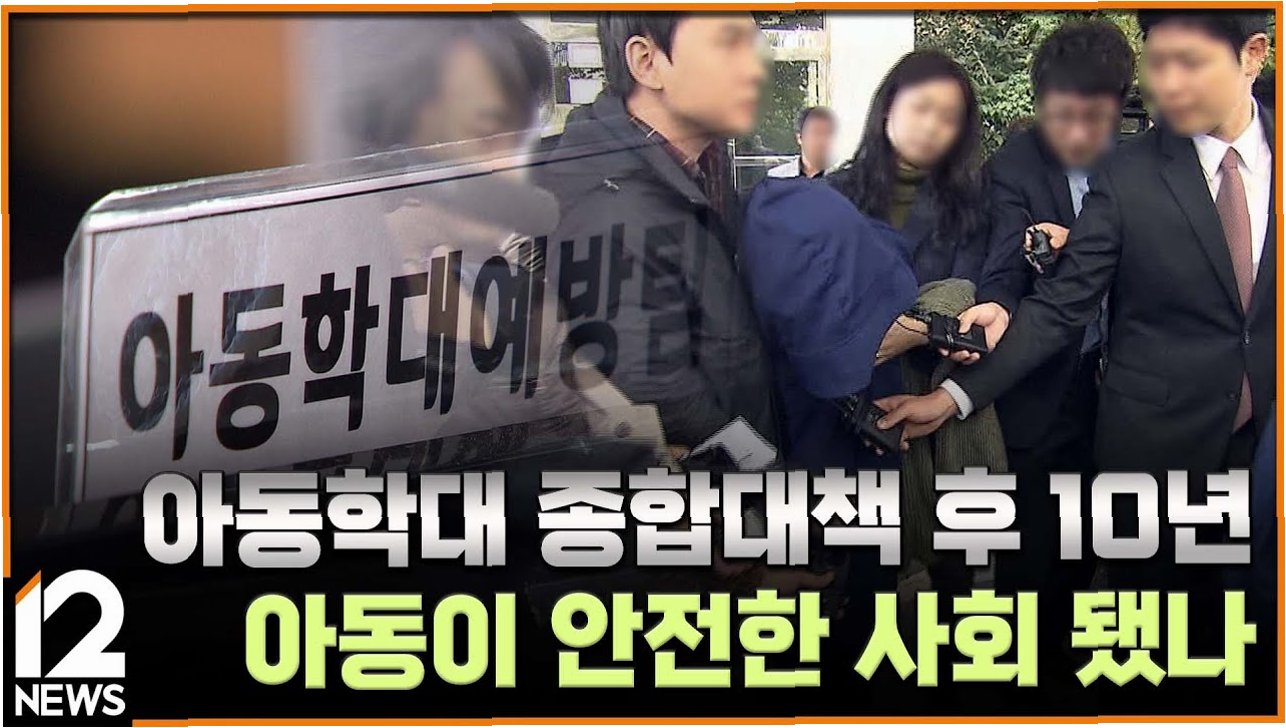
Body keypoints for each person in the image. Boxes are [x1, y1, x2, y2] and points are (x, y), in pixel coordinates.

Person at [877, 11, 1275, 650]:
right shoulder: (1128, 173)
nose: (1171, 84)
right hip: (1146, 443)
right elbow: (1054, 304)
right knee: (1153, 628)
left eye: (1191, 63)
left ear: (1253, 54)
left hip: (1263, 447)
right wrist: (953, 395)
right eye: (1160, 63)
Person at [534, 13, 777, 452]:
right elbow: (659, 397)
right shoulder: (609, 208)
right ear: (646, 62)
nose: (756, 68)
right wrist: (760, 468)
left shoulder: (700, 169)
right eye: (729, 44)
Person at [973, 19, 1135, 667]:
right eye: (1062, 117)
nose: (1077, 134)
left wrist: (1090, 247)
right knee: (1033, 557)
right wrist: (999, 299)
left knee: (1101, 547)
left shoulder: (1145, 166)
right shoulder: (1013, 166)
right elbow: (1001, 265)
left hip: (1125, 391)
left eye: (1094, 119)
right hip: (1044, 389)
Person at [767, 106, 836, 179]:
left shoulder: (839, 178)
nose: (822, 140)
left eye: (828, 133)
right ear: (799, 138)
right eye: (816, 133)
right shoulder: (777, 177)